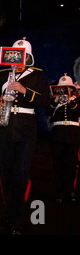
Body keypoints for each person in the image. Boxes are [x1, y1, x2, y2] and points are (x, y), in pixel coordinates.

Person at [0, 38, 50, 234]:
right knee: (6, 175)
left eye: (20, 55)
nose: (15, 59)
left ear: (27, 56)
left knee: (20, 175)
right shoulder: (2, 75)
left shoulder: (37, 75)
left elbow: (45, 100)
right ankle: (7, 214)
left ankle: (17, 219)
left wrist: (25, 90)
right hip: (4, 128)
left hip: (25, 130)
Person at [48, 73, 80, 203]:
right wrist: (56, 101)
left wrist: (72, 100)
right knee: (58, 163)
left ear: (72, 88)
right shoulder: (54, 102)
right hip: (58, 133)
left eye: (67, 87)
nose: (65, 90)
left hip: (73, 134)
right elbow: (48, 112)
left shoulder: (77, 101)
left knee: (71, 164)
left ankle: (70, 188)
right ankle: (60, 190)